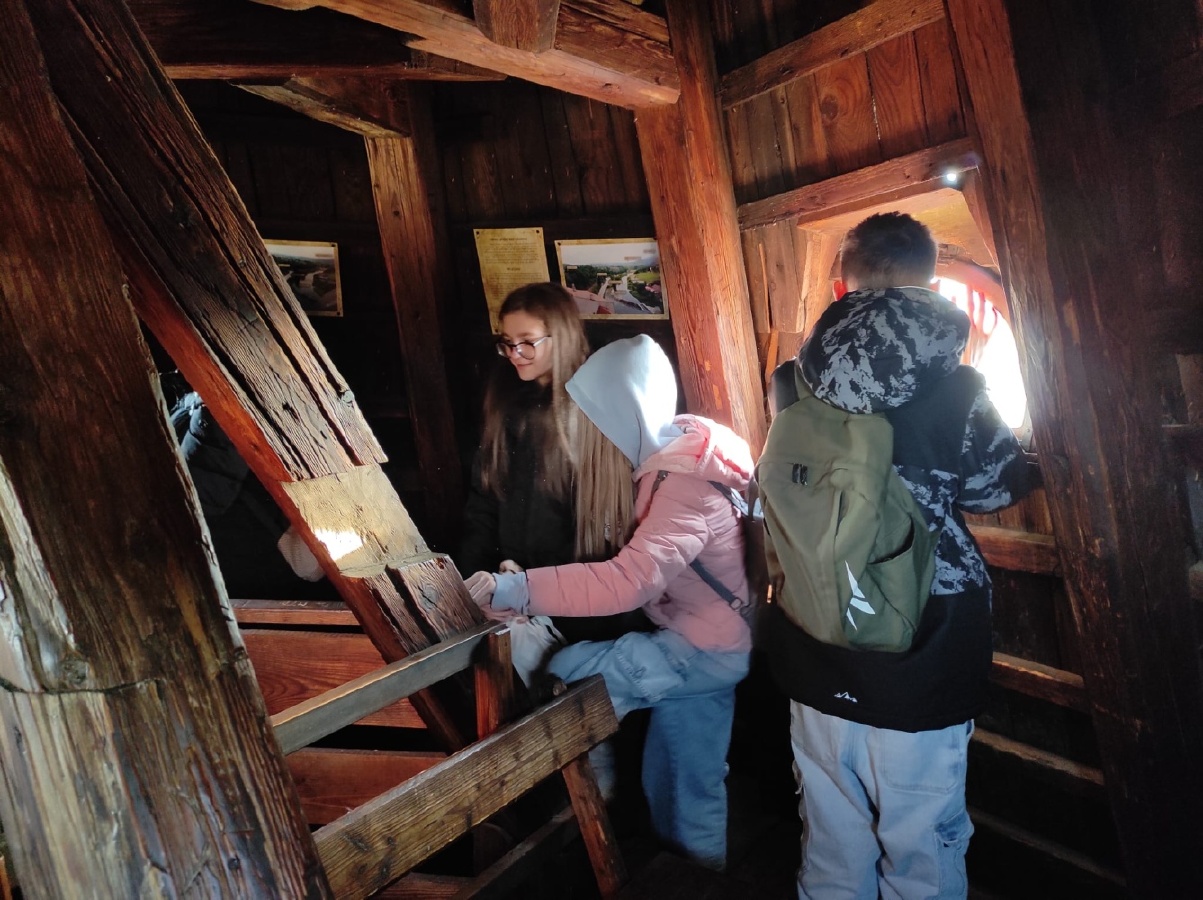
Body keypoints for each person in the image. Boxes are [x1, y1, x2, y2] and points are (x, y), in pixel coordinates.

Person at [758, 212, 1034, 899]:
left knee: (829, 834)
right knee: (922, 841)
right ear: (928, 282)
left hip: (815, 626)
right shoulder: (958, 387)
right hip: (926, 641)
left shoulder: (790, 381)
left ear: (840, 282)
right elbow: (993, 488)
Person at [466, 334, 754, 871]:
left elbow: (629, 581)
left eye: (596, 418)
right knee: (686, 779)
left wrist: (518, 589)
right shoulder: (685, 458)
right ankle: (699, 875)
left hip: (699, 648)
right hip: (717, 644)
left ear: (624, 413)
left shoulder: (683, 487)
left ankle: (589, 800)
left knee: (573, 672)